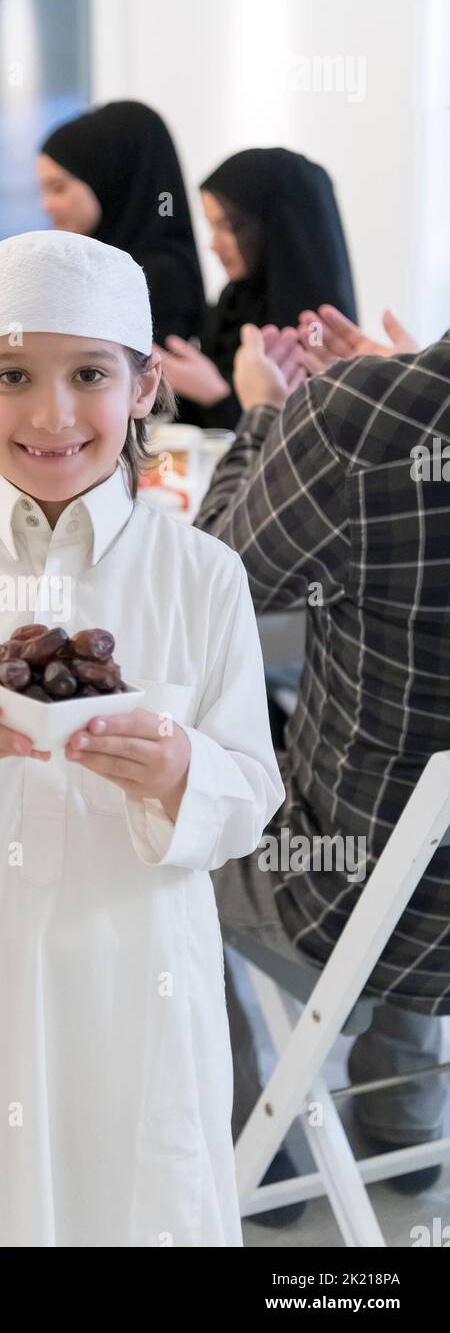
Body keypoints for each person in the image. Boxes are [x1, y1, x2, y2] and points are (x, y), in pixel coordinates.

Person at [0, 228, 285, 1247]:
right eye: (12, 374)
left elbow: (250, 791)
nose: (51, 413)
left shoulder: (200, 575)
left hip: (134, 965)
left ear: (142, 389)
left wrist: (180, 774)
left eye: (88, 373)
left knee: (132, 1188)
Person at [194, 316, 450, 1225]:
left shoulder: (357, 417)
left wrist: (268, 417)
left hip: (344, 894)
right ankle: (402, 1113)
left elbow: (209, 591)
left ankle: (239, 1141)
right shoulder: (375, 412)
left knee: (154, 827)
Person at [164, 147, 357, 431]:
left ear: (278, 228)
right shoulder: (232, 301)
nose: (214, 245)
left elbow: (303, 441)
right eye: (211, 227)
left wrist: (217, 395)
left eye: (230, 227)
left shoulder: (318, 331)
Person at [37, 100, 205, 348]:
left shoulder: (158, 275)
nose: (46, 205)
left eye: (58, 188)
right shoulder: (99, 267)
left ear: (108, 182)